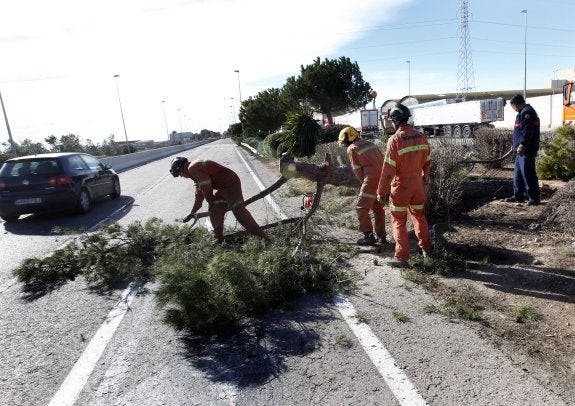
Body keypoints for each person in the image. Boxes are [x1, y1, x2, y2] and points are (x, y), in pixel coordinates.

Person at [377, 103, 432, 266]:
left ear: (395, 120)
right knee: (419, 216)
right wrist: (424, 180)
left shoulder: (395, 140)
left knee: (398, 221)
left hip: (401, 188)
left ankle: (401, 257)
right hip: (418, 186)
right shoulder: (421, 136)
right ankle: (427, 250)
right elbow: (428, 163)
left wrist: (382, 192)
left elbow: (388, 171)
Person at [169, 157, 269, 242]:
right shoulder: (194, 173)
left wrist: (211, 201)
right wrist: (192, 212)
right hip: (222, 188)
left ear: (181, 169)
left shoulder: (193, 168)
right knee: (214, 212)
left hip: (231, 184)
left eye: (180, 174)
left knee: (240, 213)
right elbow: (199, 196)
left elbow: (207, 188)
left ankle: (265, 239)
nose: (182, 177)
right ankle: (219, 241)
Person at [338, 126, 387, 245]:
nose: (344, 145)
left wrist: (364, 184)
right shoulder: (371, 144)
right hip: (384, 178)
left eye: (344, 142)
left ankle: (368, 235)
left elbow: (357, 170)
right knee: (378, 208)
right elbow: (383, 159)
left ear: (348, 138)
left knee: (361, 208)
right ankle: (382, 237)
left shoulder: (353, 147)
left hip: (371, 179)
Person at [505, 94, 541, 205]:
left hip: (526, 150)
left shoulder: (527, 112)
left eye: (513, 107)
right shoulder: (521, 113)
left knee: (528, 173)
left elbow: (527, 132)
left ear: (516, 104)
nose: (514, 109)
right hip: (520, 150)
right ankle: (518, 195)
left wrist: (522, 145)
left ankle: (534, 198)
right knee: (518, 174)